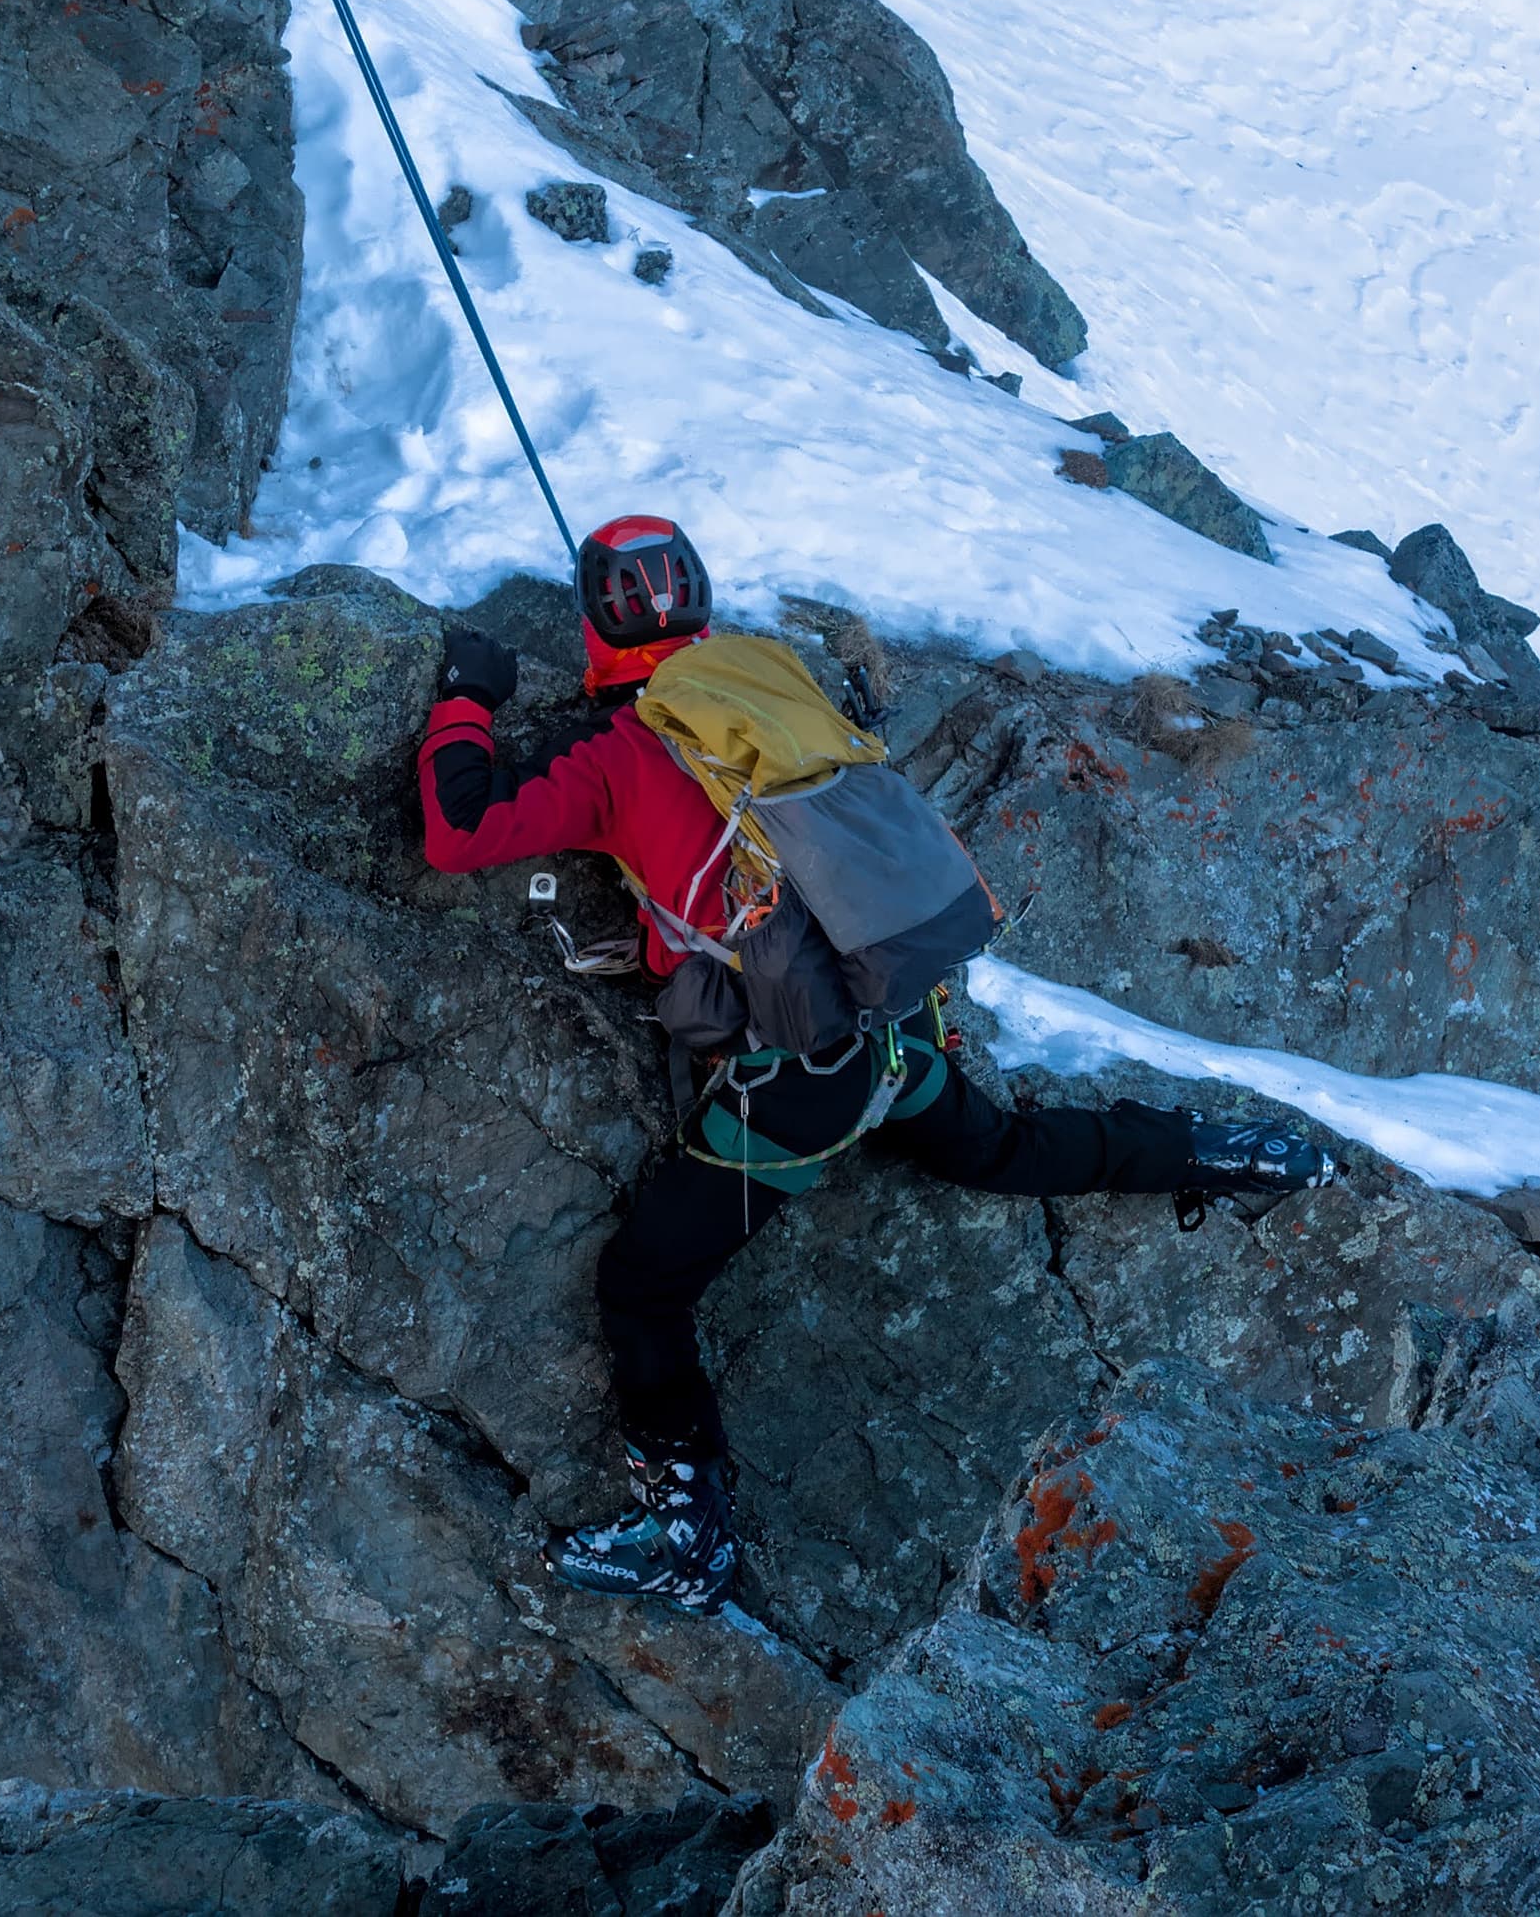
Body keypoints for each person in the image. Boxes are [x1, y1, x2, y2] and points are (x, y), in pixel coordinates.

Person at [419, 515, 1336, 1616]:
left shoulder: (615, 756)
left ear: (593, 631)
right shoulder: (772, 679)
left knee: (643, 1282)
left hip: (802, 1079)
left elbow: (457, 832)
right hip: (898, 1020)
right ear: (701, 602)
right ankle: (1216, 1149)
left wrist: (466, 697)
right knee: (1001, 1149)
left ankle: (688, 1537)